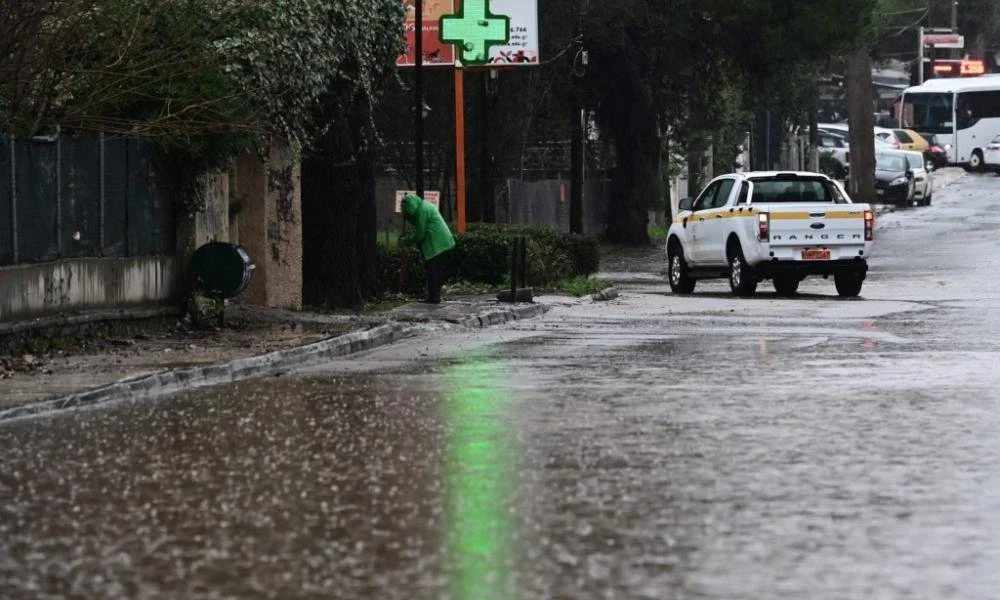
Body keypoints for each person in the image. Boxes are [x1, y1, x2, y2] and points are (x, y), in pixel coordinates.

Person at [401, 193, 456, 304]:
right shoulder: (424, 206)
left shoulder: (422, 211)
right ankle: (434, 295)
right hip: (442, 243)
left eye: (408, 215)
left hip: (437, 245)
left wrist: (406, 241)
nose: (408, 218)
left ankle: (434, 297)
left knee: (433, 271)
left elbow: (420, 233)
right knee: (436, 271)